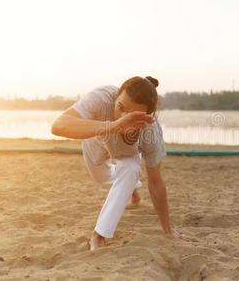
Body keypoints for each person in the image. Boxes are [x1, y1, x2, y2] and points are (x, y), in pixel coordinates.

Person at [51, 76, 186, 250]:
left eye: (131, 115)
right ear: (116, 95)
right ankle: (132, 186)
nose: (124, 116)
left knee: (131, 168)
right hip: (97, 138)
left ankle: (99, 235)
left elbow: (155, 181)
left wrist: (168, 230)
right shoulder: (101, 98)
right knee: (101, 178)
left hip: (126, 154)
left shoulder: (150, 132)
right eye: (120, 107)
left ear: (147, 116)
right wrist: (114, 125)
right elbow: (58, 126)